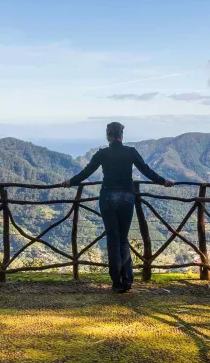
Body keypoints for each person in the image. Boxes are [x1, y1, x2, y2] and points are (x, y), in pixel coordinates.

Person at [61, 122, 174, 293]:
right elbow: (146, 170)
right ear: (121, 135)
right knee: (123, 239)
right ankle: (127, 280)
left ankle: (117, 282)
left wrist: (70, 182)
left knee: (113, 240)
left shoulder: (102, 154)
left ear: (108, 136)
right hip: (127, 197)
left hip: (107, 197)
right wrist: (163, 181)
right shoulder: (130, 152)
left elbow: (86, 172)